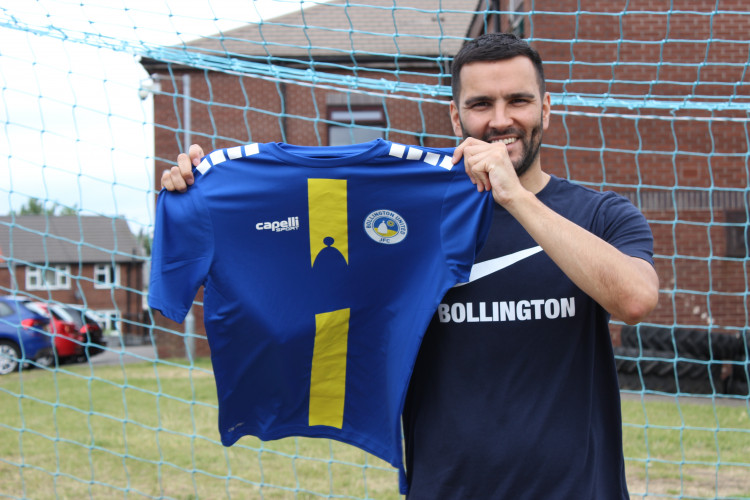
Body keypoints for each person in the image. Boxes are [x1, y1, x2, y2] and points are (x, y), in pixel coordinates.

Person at [161, 32, 659, 499]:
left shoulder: (601, 215)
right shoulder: (407, 220)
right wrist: (197, 197)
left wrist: (513, 198)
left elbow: (635, 299)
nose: (501, 119)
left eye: (519, 101)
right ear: (454, 116)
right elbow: (295, 267)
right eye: (481, 104)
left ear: (546, 109)